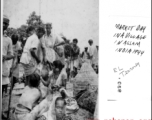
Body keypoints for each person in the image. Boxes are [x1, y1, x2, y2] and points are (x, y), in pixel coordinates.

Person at [2, 15, 14, 97]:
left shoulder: (8, 39)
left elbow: (11, 54)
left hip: (3, 67)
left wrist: (5, 57)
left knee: (2, 87)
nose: (4, 25)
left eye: (6, 23)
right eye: (2, 22)